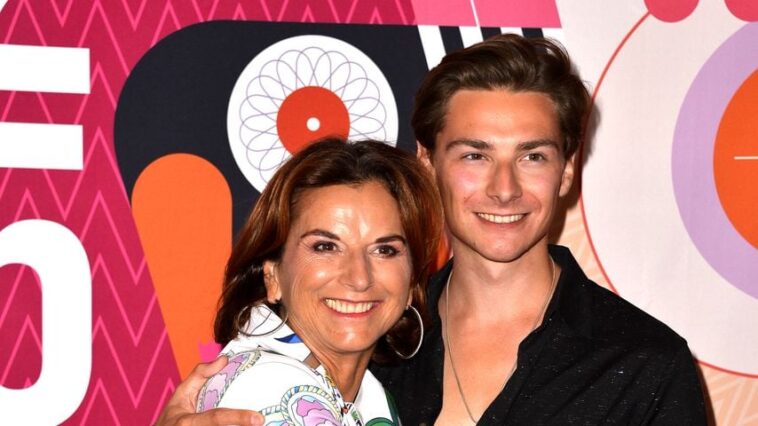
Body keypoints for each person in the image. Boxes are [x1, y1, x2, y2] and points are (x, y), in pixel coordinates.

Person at [157, 34, 707, 425]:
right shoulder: (373, 340)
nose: (504, 188)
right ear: (427, 163)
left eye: (532, 156)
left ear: (567, 170)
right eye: (475, 155)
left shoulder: (645, 365)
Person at [156, 138, 442, 425]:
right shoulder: (274, 390)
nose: (359, 278)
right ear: (272, 275)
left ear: (411, 282)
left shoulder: (370, 397)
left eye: (385, 250)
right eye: (325, 247)